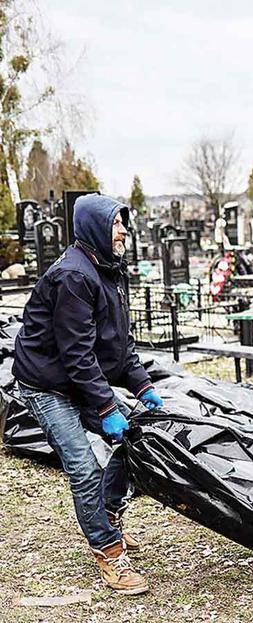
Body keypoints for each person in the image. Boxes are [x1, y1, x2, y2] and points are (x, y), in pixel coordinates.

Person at [13, 194, 165, 595]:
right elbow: (76, 352)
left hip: (76, 379)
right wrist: (106, 405)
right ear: (96, 227)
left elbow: (120, 341)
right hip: (46, 384)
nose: (124, 232)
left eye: (123, 224)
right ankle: (109, 553)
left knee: (137, 440)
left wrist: (142, 385)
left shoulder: (108, 269)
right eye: (117, 224)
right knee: (83, 468)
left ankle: (108, 513)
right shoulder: (74, 276)